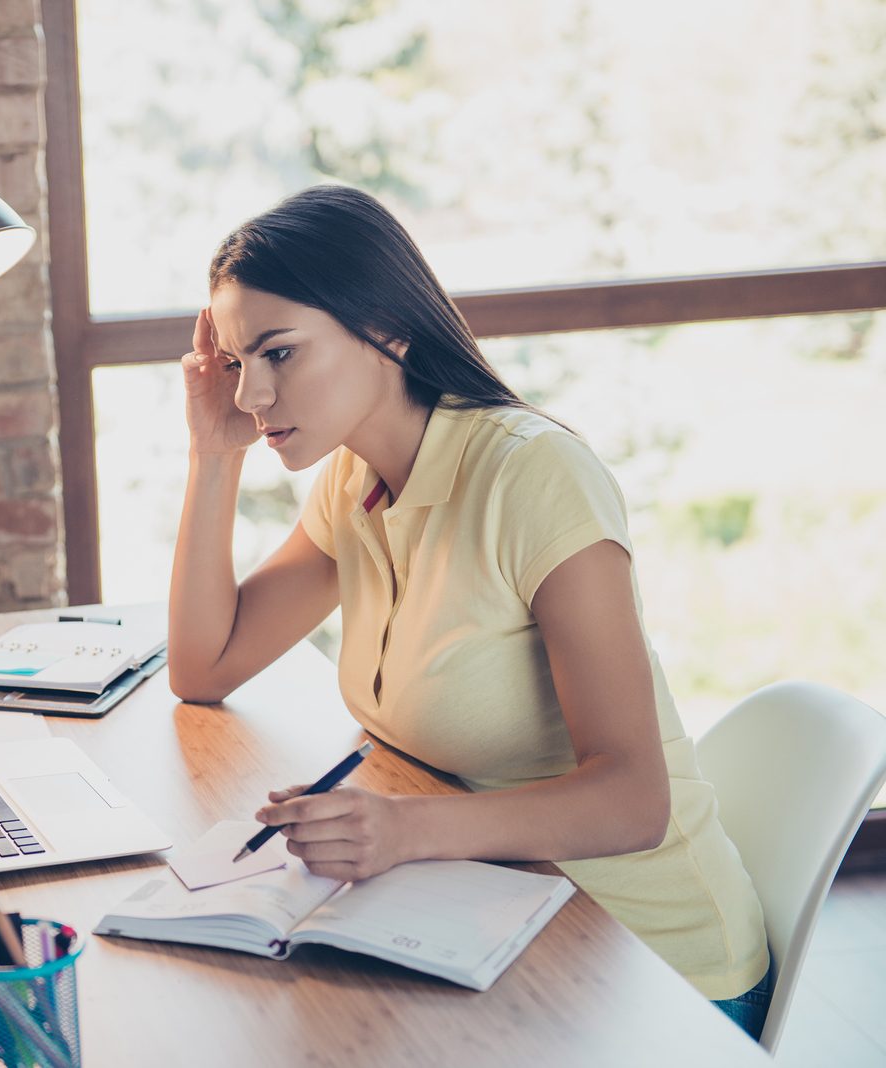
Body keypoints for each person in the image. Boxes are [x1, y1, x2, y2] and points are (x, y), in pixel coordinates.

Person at [167, 184, 772, 1036]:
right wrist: (211, 454)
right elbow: (204, 667)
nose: (251, 397)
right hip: (487, 917)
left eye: (280, 355)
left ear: (385, 328)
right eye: (236, 364)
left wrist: (401, 831)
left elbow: (638, 801)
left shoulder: (534, 476)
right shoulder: (353, 479)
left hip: (652, 970)